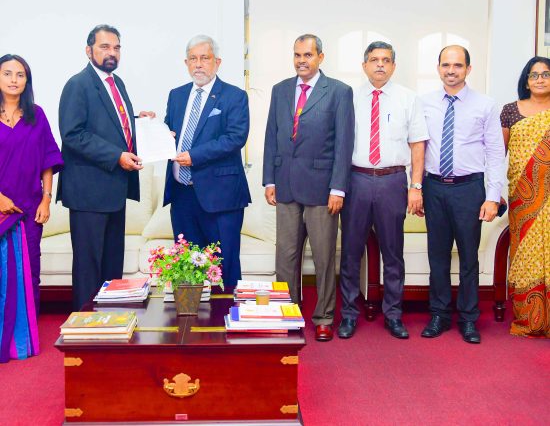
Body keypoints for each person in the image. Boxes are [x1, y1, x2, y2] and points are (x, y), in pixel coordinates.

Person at [263, 34, 354, 342]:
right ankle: (288, 312)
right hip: (286, 185)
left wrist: (338, 188)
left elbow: (344, 143)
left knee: (324, 257)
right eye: (297, 55)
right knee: (286, 256)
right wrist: (270, 179)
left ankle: (324, 317)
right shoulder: (280, 90)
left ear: (320, 57)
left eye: (308, 55)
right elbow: (272, 136)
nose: (302, 60)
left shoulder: (339, 92)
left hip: (322, 189)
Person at [58, 25, 155, 309]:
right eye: (104, 47)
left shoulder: (116, 83)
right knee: (89, 267)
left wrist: (140, 123)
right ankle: (85, 323)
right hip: (88, 192)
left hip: (114, 189)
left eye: (116, 47)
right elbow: (73, 134)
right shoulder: (78, 84)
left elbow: (111, 125)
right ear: (88, 51)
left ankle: (110, 321)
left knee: (112, 264)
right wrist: (116, 156)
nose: (111, 52)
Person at [338, 42, 429, 340]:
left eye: (386, 60)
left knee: (393, 253)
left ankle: (393, 314)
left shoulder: (408, 98)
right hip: (356, 180)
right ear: (364, 65)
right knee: (350, 253)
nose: (380, 64)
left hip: (393, 181)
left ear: (394, 66)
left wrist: (416, 186)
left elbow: (418, 145)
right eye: (374, 60)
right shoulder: (349, 97)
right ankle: (348, 314)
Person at [420, 45, 505, 344]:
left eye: (457, 65)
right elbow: (417, 148)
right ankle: (439, 315)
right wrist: (415, 187)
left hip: (469, 189)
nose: (451, 70)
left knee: (468, 257)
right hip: (434, 187)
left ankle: (469, 319)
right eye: (446, 65)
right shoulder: (424, 103)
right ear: (438, 68)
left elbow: (495, 153)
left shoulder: (485, 105)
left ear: (468, 69)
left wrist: (492, 196)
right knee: (437, 255)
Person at [163, 35, 251, 288]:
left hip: (220, 197)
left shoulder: (234, 96)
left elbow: (235, 137)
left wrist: (194, 156)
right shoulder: (177, 95)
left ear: (217, 62)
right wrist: (156, 128)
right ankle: (191, 314)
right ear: (186, 63)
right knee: (186, 270)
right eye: (193, 59)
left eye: (204, 58)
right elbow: (171, 131)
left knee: (225, 268)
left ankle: (227, 313)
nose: (198, 64)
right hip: (182, 195)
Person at [0, 54, 63, 362]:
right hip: (0, 208)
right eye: (7, 73)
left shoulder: (36, 115)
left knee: (29, 272)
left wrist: (46, 198)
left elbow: (48, 160)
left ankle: (24, 339)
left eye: (20, 74)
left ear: (27, 81)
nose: (14, 79)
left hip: (28, 207)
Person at [501, 56, 550, 338]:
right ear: (526, 80)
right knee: (525, 255)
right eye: (534, 75)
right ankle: (529, 318)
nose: (540, 79)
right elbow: (498, 154)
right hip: (523, 198)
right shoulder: (511, 111)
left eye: (546, 74)